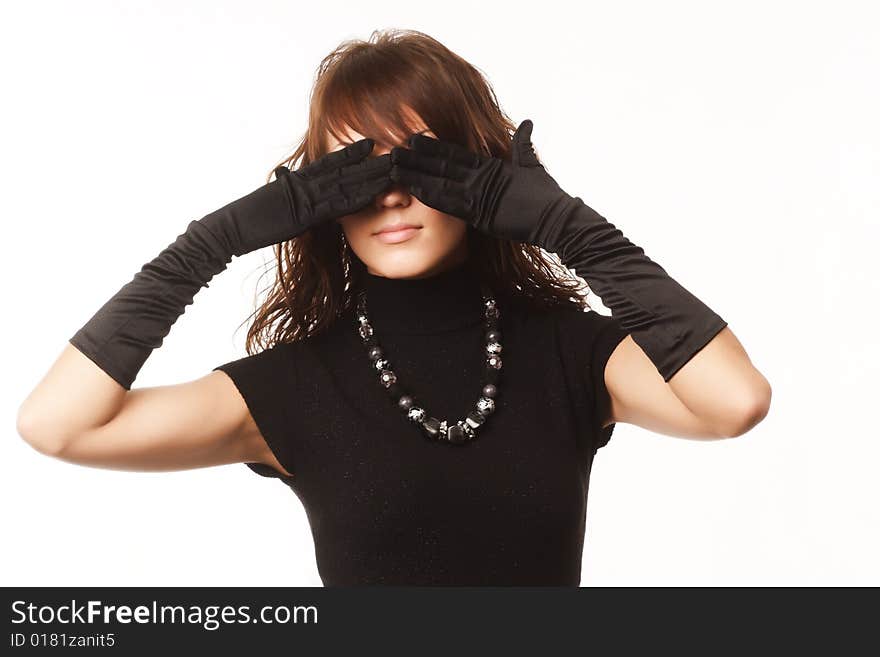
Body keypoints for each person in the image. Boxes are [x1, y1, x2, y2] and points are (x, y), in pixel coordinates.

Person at [16, 28, 771, 586]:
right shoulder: (294, 386)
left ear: (481, 172)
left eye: (417, 159)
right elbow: (57, 423)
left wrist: (565, 224)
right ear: (319, 197)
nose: (391, 193)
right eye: (356, 168)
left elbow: (735, 401)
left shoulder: (570, 354)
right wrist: (215, 239)